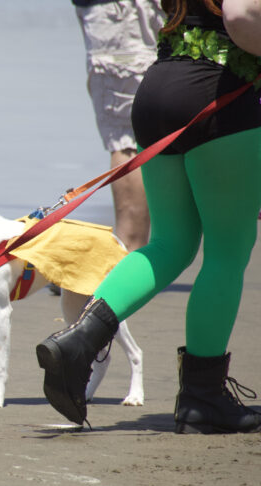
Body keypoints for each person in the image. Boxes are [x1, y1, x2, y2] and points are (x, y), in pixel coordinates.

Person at [37, 0, 261, 434]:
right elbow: (239, 15)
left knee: (170, 243)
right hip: (219, 95)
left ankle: (80, 339)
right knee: (226, 252)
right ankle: (202, 397)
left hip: (157, 88)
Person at [72, 0, 165, 251]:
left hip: (126, 13)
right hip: (131, 14)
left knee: (128, 139)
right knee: (142, 135)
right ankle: (137, 253)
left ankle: (129, 252)